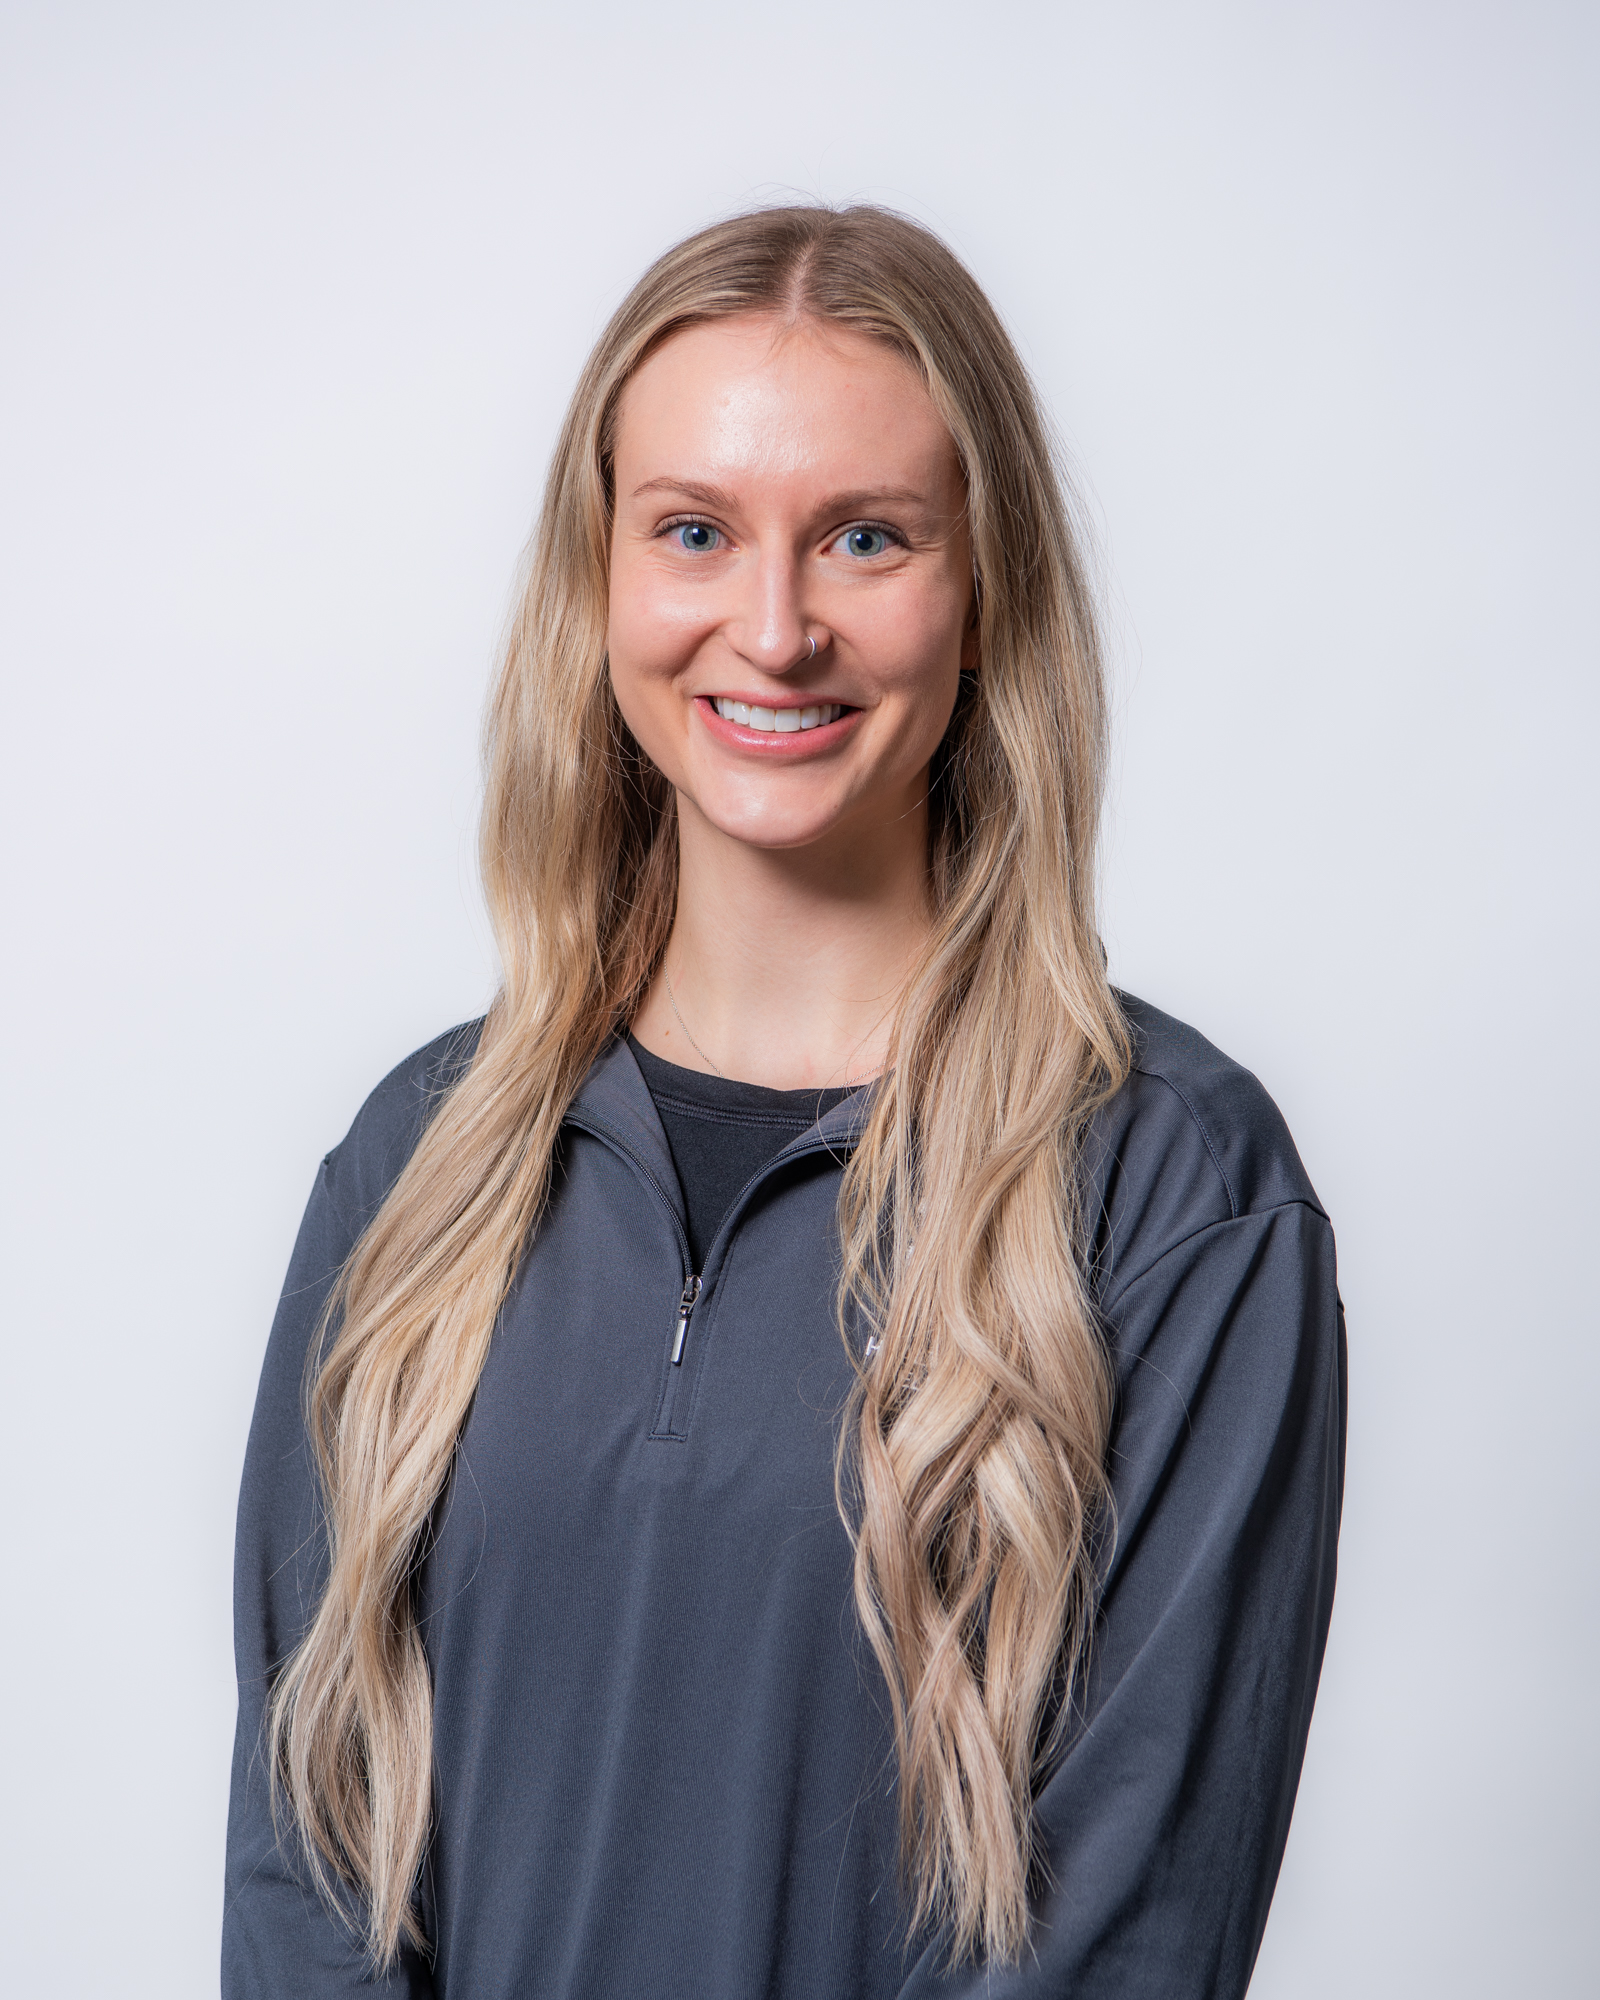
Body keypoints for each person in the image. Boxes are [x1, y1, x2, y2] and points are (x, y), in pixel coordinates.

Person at [223, 204, 1346, 1999]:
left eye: (866, 538)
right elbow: (306, 1874)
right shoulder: (415, 1167)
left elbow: (1122, 1942)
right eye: (694, 531)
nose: (773, 627)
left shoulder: (1175, 1196)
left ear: (983, 596)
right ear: (600, 585)